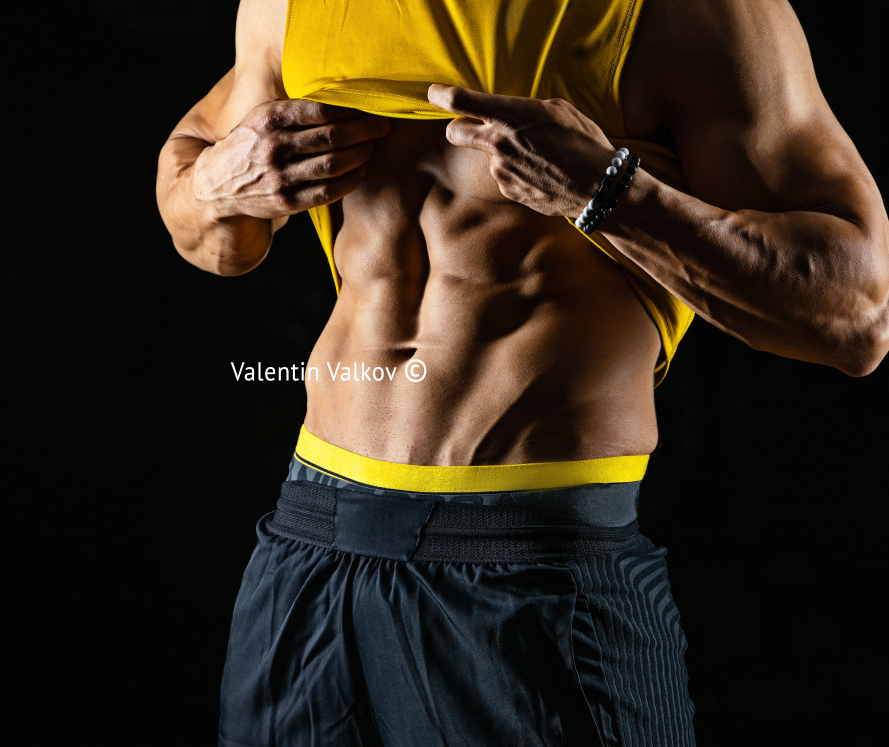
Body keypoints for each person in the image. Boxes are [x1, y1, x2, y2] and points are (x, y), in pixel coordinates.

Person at [156, 0, 889, 744]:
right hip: (310, 539)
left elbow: (857, 314)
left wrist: (608, 193)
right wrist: (217, 184)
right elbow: (204, 214)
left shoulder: (692, 13)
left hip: (531, 565)